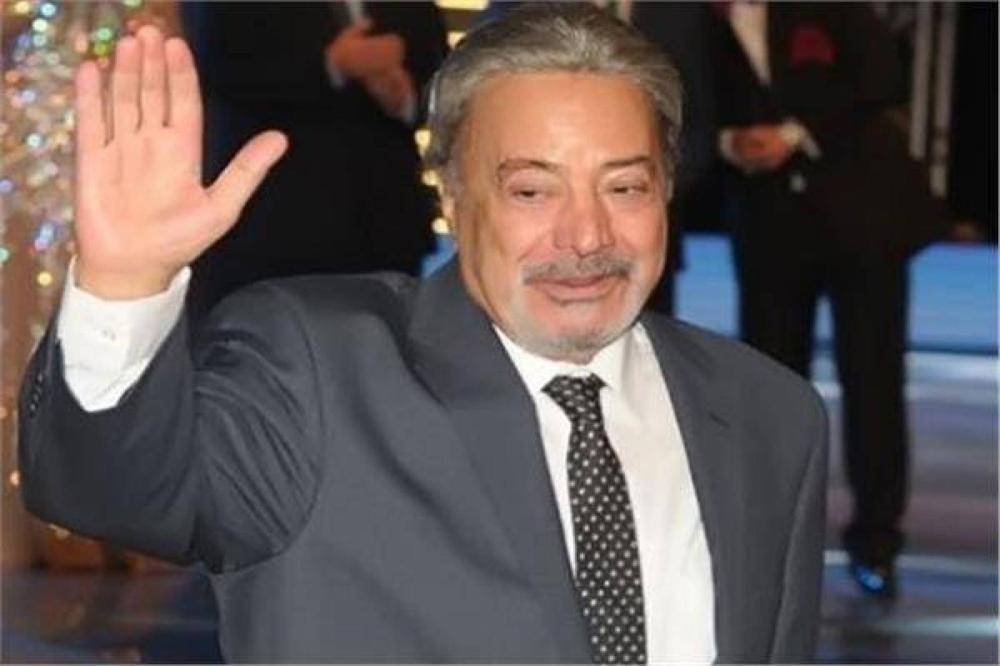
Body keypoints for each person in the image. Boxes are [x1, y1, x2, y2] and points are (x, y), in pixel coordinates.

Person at [19, 5, 827, 662]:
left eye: (624, 187)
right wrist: (124, 287)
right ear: (452, 193)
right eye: (532, 191)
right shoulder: (316, 370)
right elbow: (111, 492)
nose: (586, 236)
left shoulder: (771, 415)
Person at [707, 1, 948, 598]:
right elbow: (683, 99)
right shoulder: (686, 19)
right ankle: (773, 543)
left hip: (862, 218)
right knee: (770, 390)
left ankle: (877, 542)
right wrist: (729, 142)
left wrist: (794, 134)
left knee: (873, 380)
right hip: (767, 225)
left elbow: (881, 77)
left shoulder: (830, 5)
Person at [180, 2, 447, 318]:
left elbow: (443, 73)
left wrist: (404, 97)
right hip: (275, 223)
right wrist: (332, 64)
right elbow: (222, 67)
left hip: (386, 221)